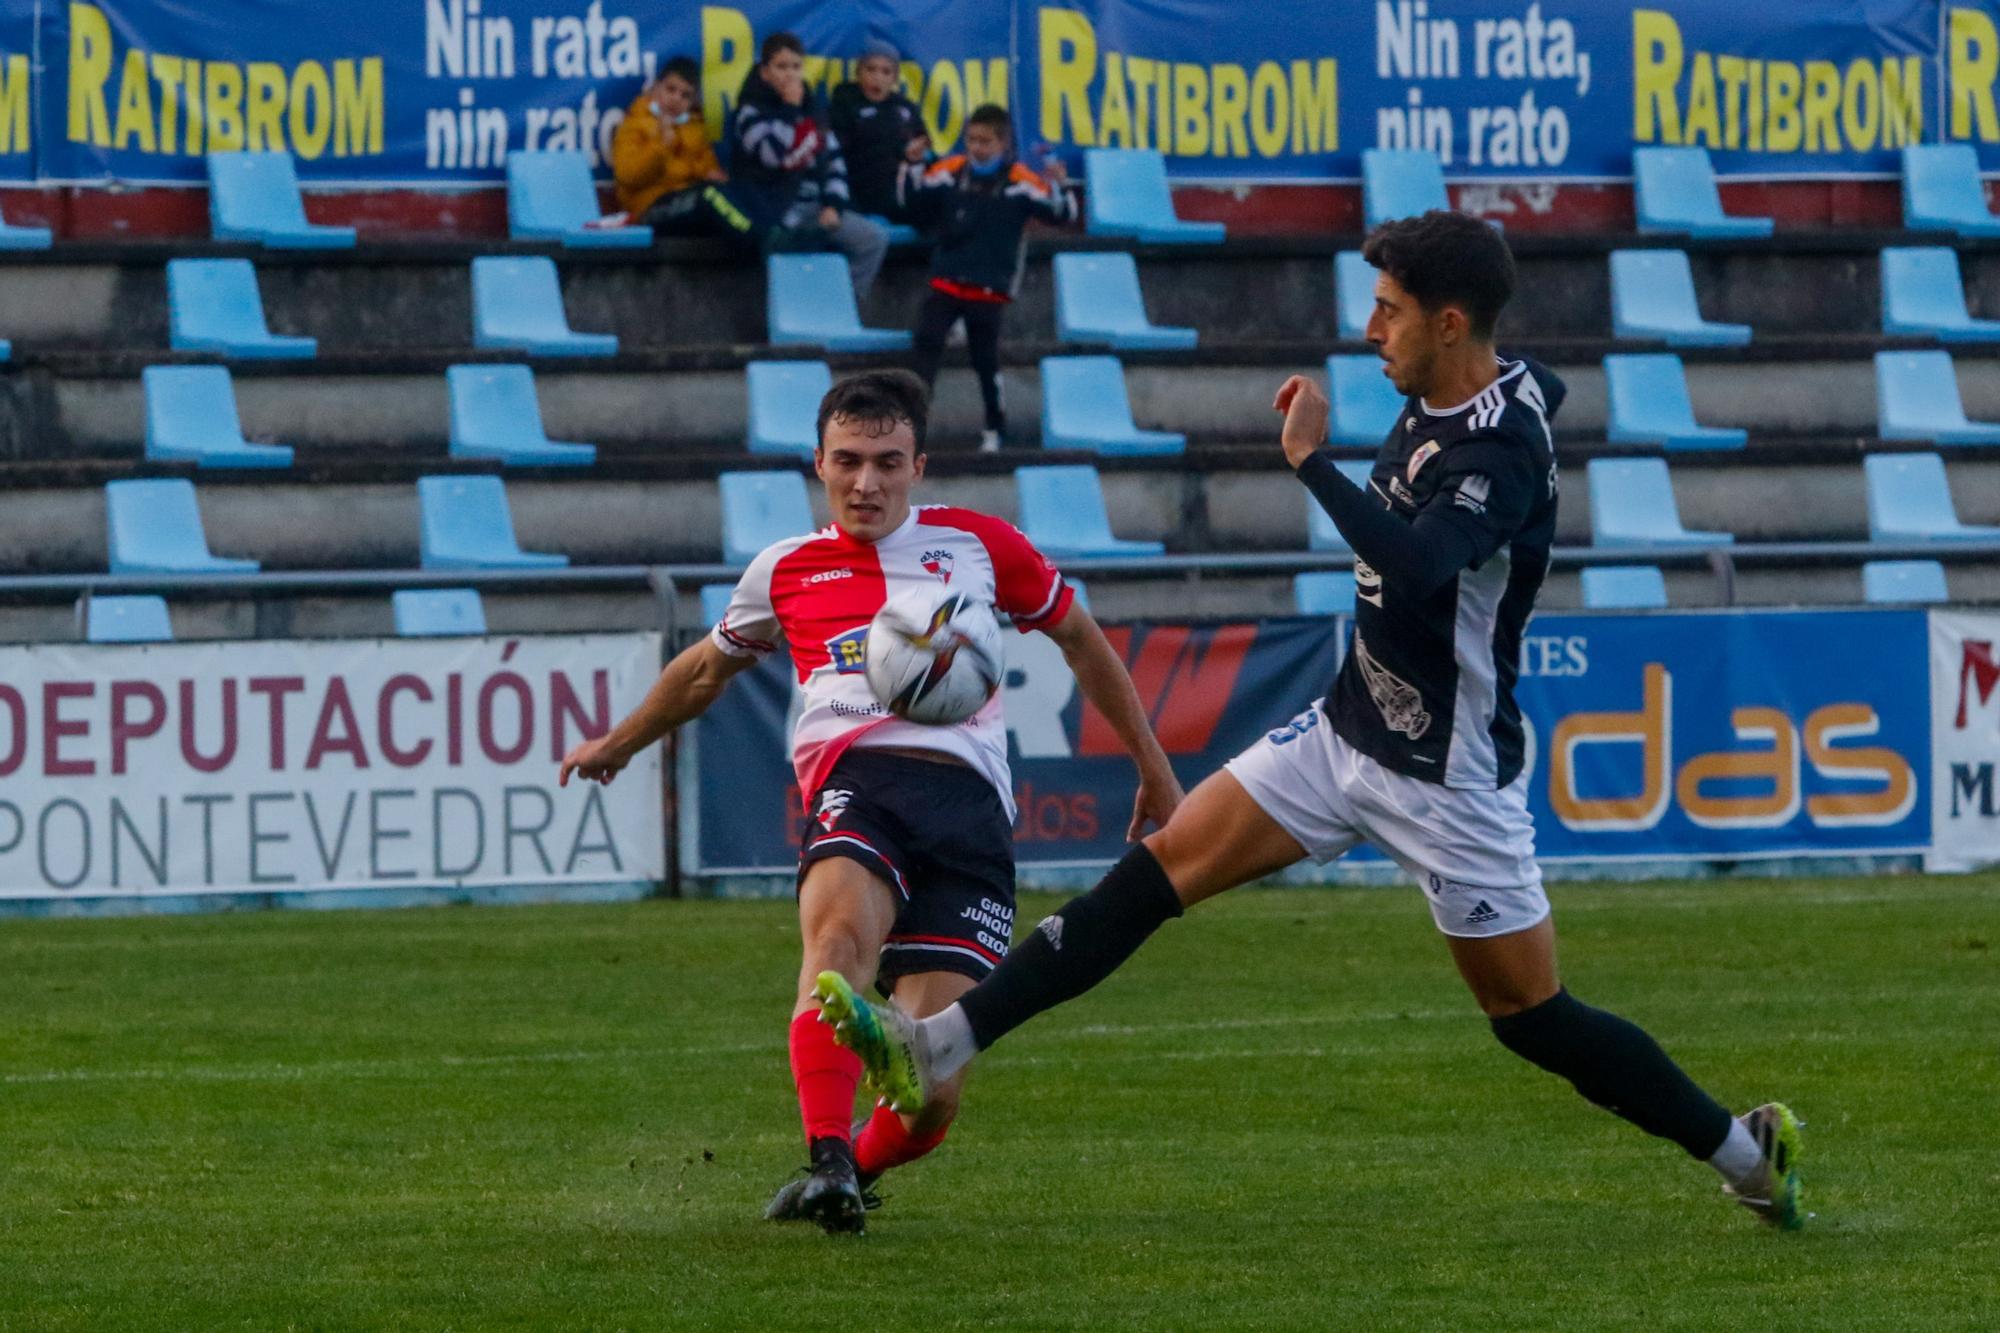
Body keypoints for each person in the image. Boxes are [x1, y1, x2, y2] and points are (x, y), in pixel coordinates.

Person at [819, 212, 1807, 1230]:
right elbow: (1526, 384)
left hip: (1444, 772)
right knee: (1157, 872)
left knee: (1531, 1018)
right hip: (1347, 731)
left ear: (1451, 323)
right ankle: (939, 1041)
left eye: (1389, 311)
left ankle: (1745, 1152)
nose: (1369, 327)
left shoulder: (1501, 448)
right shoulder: (1460, 385)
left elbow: (1424, 568)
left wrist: (1309, 463)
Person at [559, 369, 1183, 1235]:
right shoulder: (786, 568)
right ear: (818, 463)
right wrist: (617, 743)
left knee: (933, 1087)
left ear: (918, 465)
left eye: (888, 461)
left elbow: (1078, 636)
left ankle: (854, 1167)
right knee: (836, 946)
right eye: (848, 461)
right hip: (861, 782)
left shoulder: (979, 545)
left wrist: (1151, 764)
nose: (867, 483)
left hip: (969, 815)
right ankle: (824, 1155)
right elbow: (705, 667)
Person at [901, 104, 1074, 452]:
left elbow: (1063, 215)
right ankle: (913, 428)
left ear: (1003, 143)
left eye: (986, 141)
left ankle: (996, 428)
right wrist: (913, 164)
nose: (977, 148)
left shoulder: (1020, 181)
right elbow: (912, 203)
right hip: (947, 277)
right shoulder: (950, 171)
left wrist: (1061, 183)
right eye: (972, 139)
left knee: (985, 359)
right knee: (927, 342)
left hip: (988, 286)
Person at [729, 32, 889, 301]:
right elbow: (772, 155)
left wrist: (833, 204)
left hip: (817, 207)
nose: (790, 75)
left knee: (873, 239)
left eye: (795, 67)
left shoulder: (813, 110)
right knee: (783, 244)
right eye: (781, 67)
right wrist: (790, 110)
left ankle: (839, 307)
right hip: (777, 209)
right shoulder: (750, 112)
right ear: (765, 72)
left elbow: (834, 160)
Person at [609, 57, 760, 249]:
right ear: (656, 89)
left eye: (685, 95)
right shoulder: (635, 124)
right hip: (649, 209)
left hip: (686, 203)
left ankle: (770, 238)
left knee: (734, 191)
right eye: (670, 90)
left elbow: (709, 171)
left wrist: (707, 173)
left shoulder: (694, 127)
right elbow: (627, 176)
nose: (676, 99)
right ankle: (761, 243)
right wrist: (661, 147)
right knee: (707, 197)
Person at [828, 40, 927, 223]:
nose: (877, 77)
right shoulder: (845, 103)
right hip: (859, 186)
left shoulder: (904, 107)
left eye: (886, 72)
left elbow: (921, 140)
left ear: (895, 77)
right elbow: (842, 149)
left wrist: (915, 150)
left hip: (898, 189)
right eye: (871, 69)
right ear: (858, 72)